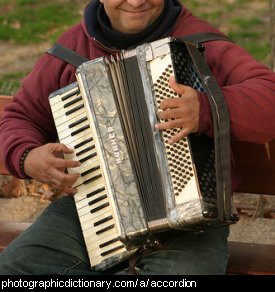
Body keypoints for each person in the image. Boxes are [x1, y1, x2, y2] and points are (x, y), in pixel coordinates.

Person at [0, 0, 274, 275]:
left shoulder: (200, 42)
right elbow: (19, 118)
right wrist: (26, 157)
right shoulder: (71, 50)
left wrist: (206, 107)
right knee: (15, 267)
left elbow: (269, 100)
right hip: (94, 212)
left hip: (193, 221)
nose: (136, 1)